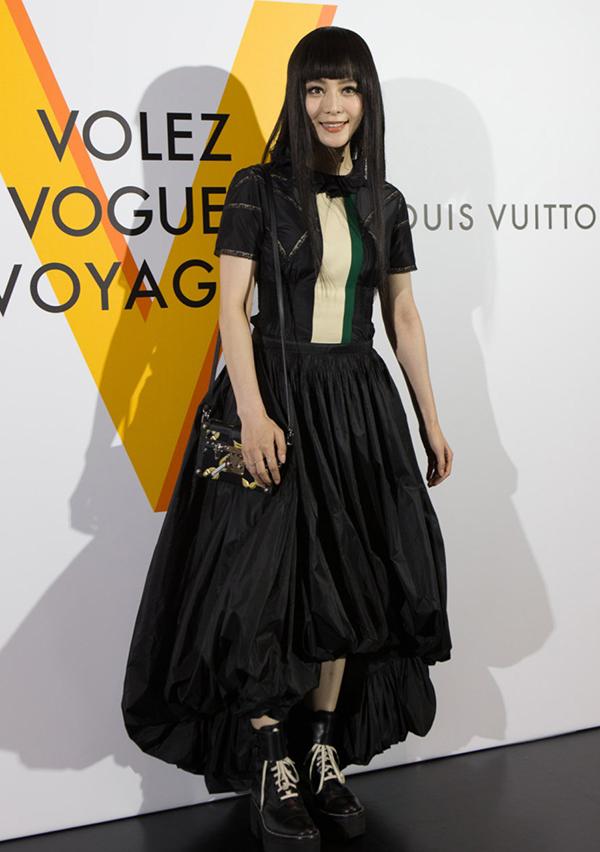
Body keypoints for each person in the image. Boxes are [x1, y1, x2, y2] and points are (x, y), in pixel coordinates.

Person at [121, 25, 453, 851]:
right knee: (260, 587)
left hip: (356, 405)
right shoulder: (256, 188)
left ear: (367, 99)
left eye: (346, 88)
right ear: (297, 99)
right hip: (270, 395)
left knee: (348, 578)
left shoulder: (386, 201)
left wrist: (430, 418)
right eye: (315, 89)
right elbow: (231, 310)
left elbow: (403, 315)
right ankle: (272, 760)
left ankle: (322, 751)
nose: (332, 105)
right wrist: (255, 412)